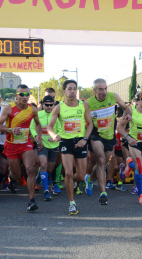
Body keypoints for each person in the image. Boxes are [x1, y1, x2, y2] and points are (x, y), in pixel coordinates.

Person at [47, 79, 93, 215]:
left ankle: (82, 180)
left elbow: (90, 124)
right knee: (67, 173)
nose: (72, 91)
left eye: (74, 89)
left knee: (79, 175)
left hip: (80, 141)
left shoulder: (83, 105)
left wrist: (85, 139)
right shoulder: (59, 107)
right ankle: (72, 203)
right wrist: (54, 135)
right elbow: (49, 126)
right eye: (69, 89)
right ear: (64, 91)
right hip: (66, 142)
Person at [0, 84, 43, 211]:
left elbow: (38, 124)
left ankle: (31, 200)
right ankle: (12, 175)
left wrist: (39, 137)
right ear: (16, 95)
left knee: (31, 169)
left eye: (27, 94)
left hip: (26, 143)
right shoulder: (8, 108)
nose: (24, 97)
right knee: (17, 176)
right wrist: (11, 129)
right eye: (21, 94)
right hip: (11, 145)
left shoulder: (32, 109)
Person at [86, 78, 130, 205]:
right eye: (100, 89)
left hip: (110, 136)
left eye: (105, 88)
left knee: (106, 162)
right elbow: (87, 122)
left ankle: (90, 178)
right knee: (100, 160)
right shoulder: (88, 103)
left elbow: (126, 108)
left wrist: (127, 115)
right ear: (94, 90)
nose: (104, 91)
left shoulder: (113, 97)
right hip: (96, 135)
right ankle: (103, 193)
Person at [30, 95, 60, 201]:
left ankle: (38, 180)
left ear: (54, 105)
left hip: (54, 145)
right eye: (46, 105)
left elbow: (62, 129)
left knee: (49, 169)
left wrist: (56, 137)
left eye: (51, 105)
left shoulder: (56, 115)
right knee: (43, 164)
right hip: (42, 145)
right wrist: (36, 137)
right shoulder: (38, 114)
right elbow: (32, 127)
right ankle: (46, 191)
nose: (48, 107)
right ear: (42, 105)